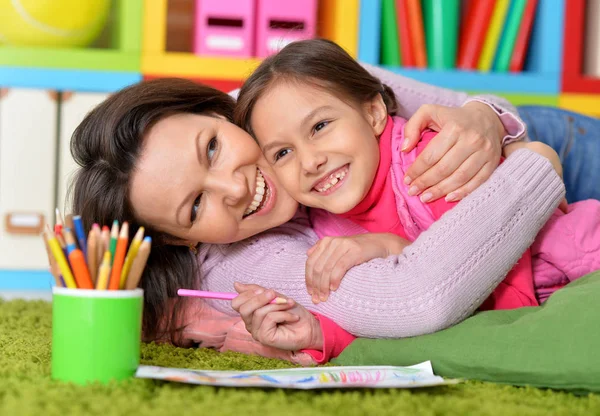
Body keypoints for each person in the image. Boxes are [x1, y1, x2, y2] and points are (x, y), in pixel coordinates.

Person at [69, 66, 563, 364]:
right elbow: (419, 298)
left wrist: (486, 117)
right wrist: (534, 166)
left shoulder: (281, 89)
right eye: (196, 206)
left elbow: (478, 107)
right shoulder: (237, 263)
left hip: (563, 134)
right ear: (181, 240)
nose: (235, 186)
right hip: (536, 195)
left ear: (220, 112)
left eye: (214, 147)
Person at [233, 39, 600, 311]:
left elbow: (504, 284)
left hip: (574, 212)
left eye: (320, 126)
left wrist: (387, 249)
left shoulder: (432, 165)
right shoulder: (324, 226)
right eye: (283, 152)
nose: (309, 161)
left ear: (375, 113)